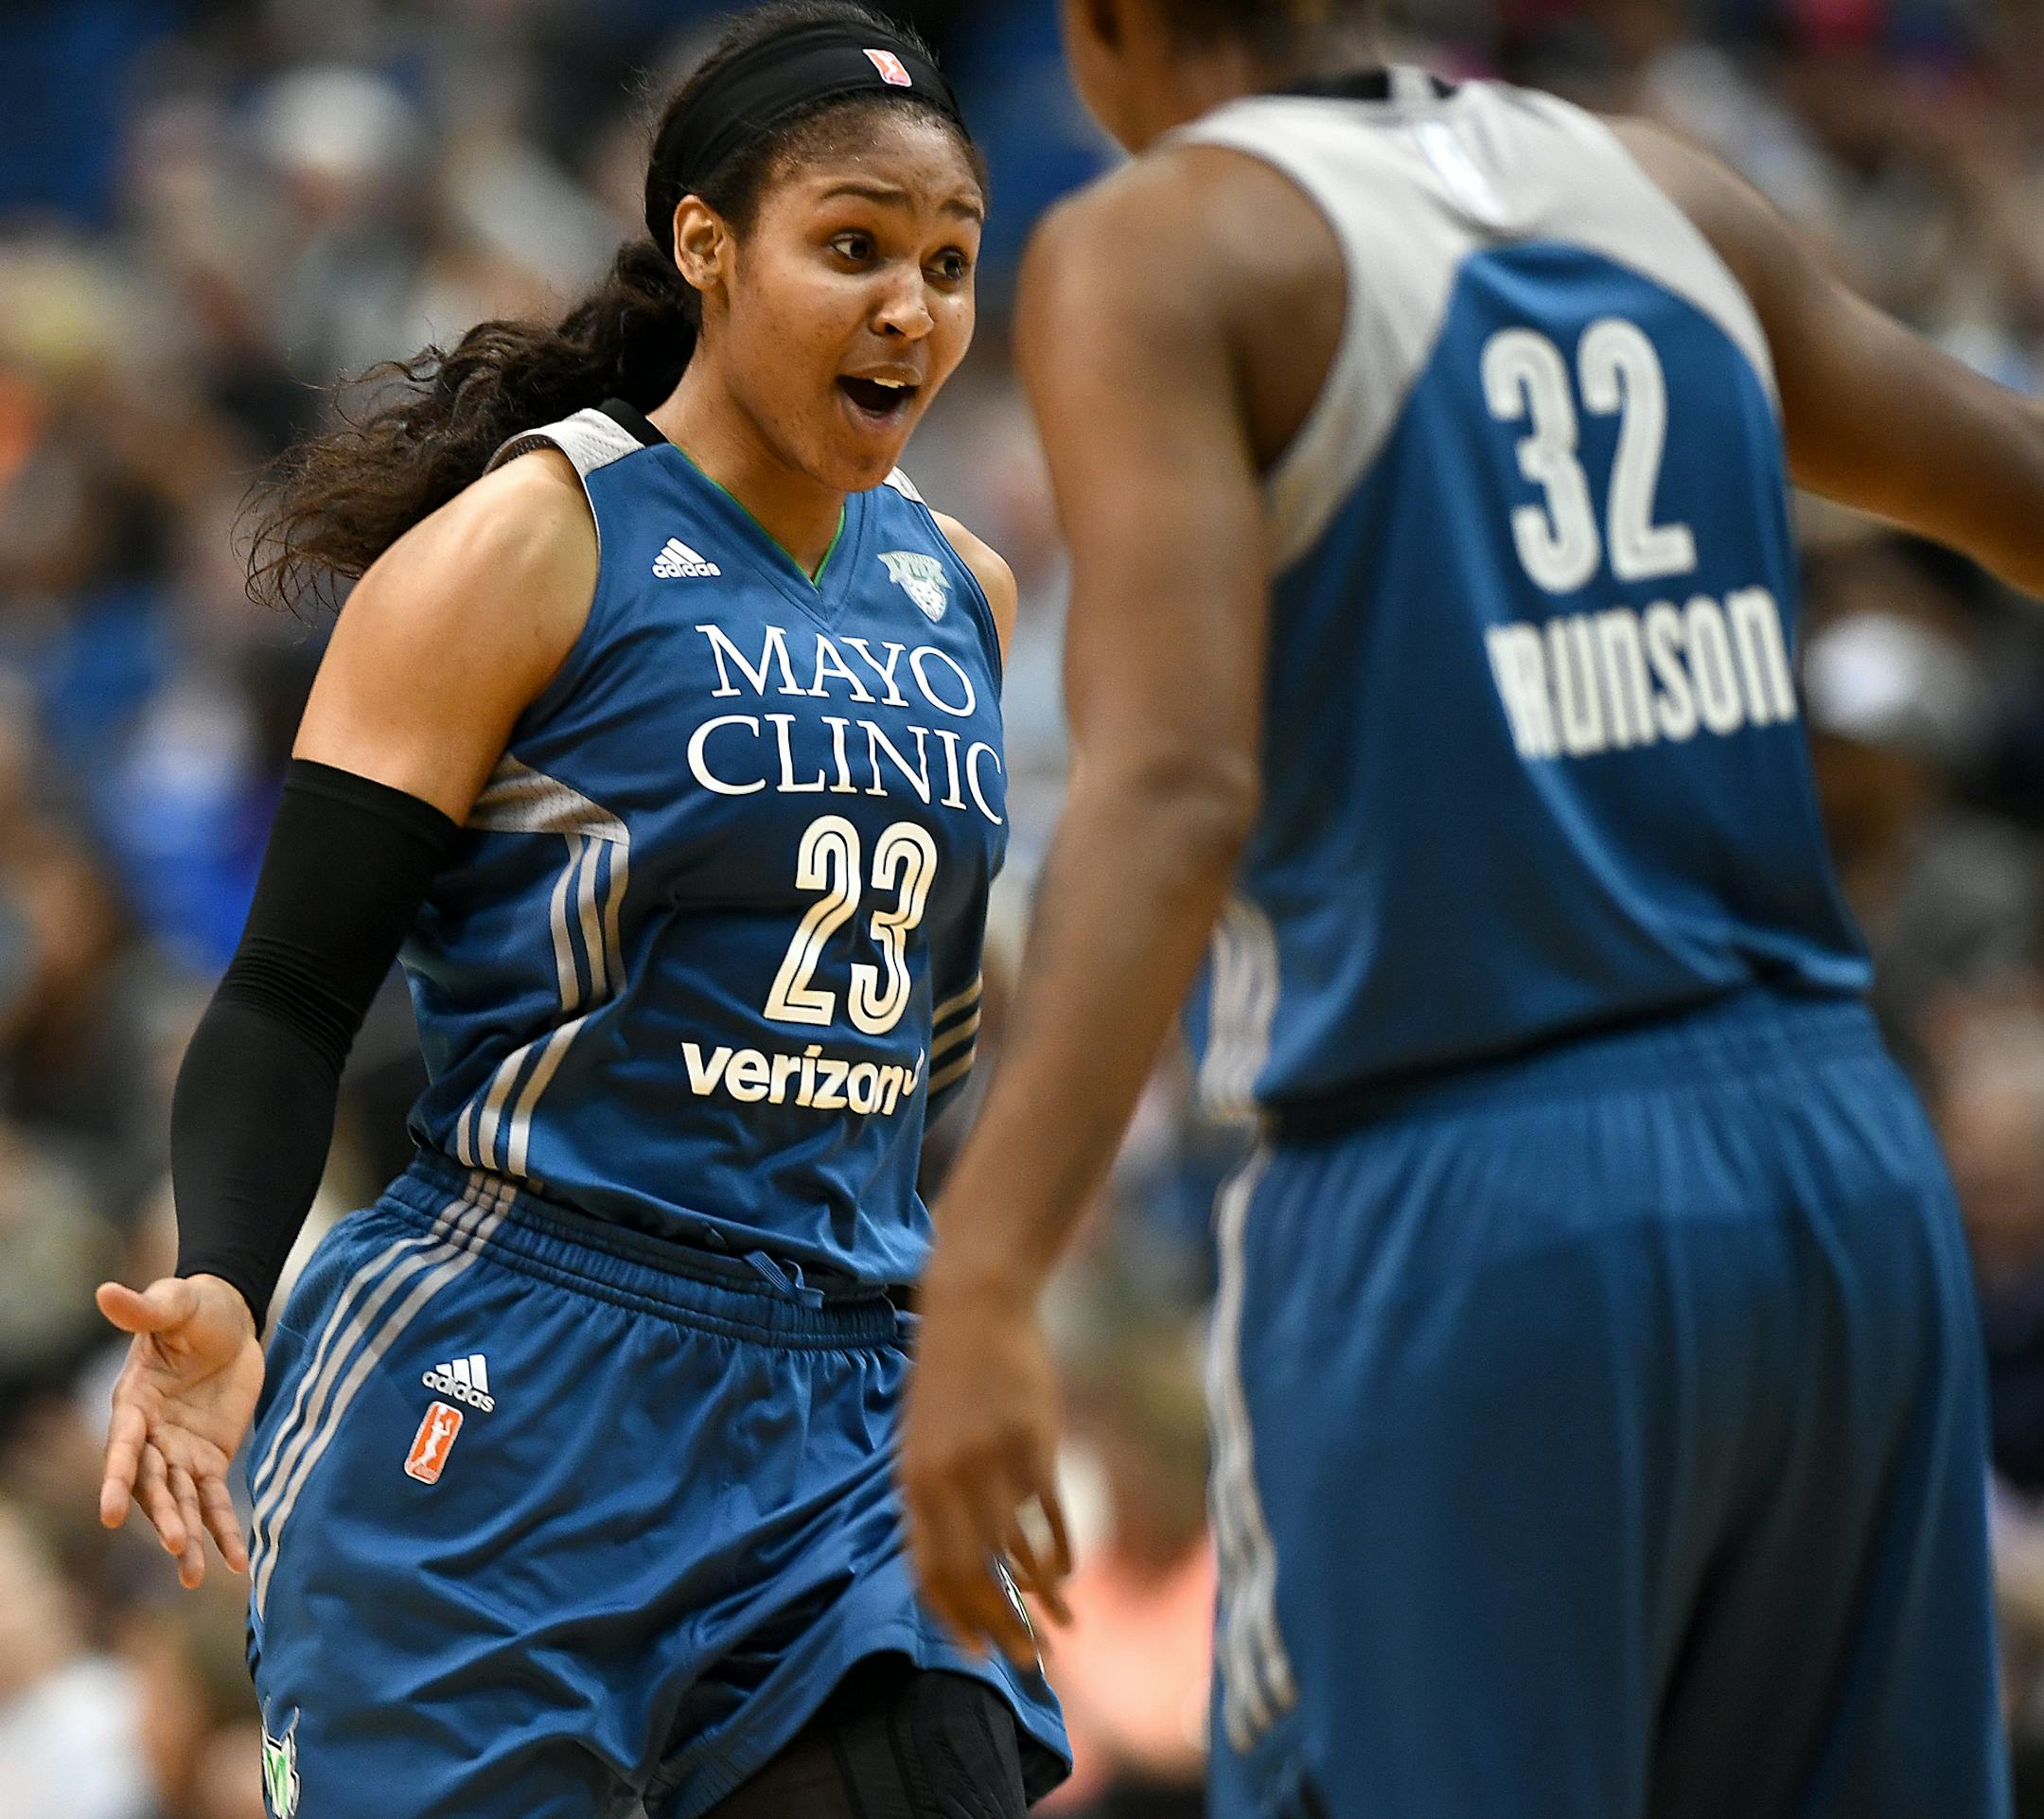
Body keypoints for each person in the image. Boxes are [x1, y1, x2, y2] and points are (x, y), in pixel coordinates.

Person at [899, 2, 2044, 1815]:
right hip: (1834, 1169)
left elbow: (1178, 786)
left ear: (1104, 22)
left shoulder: (1164, 239)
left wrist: (982, 1273)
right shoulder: (1659, 191)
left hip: (1471, 1196)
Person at [91, 5, 1068, 1814]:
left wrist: (979, 1321)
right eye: (851, 249)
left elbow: (937, 1052)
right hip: (522, 1371)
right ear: (707, 244)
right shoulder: (531, 546)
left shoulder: (967, 595)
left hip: (845, 1405)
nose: (911, 308)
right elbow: (292, 985)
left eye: (948, 263)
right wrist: (223, 1275)